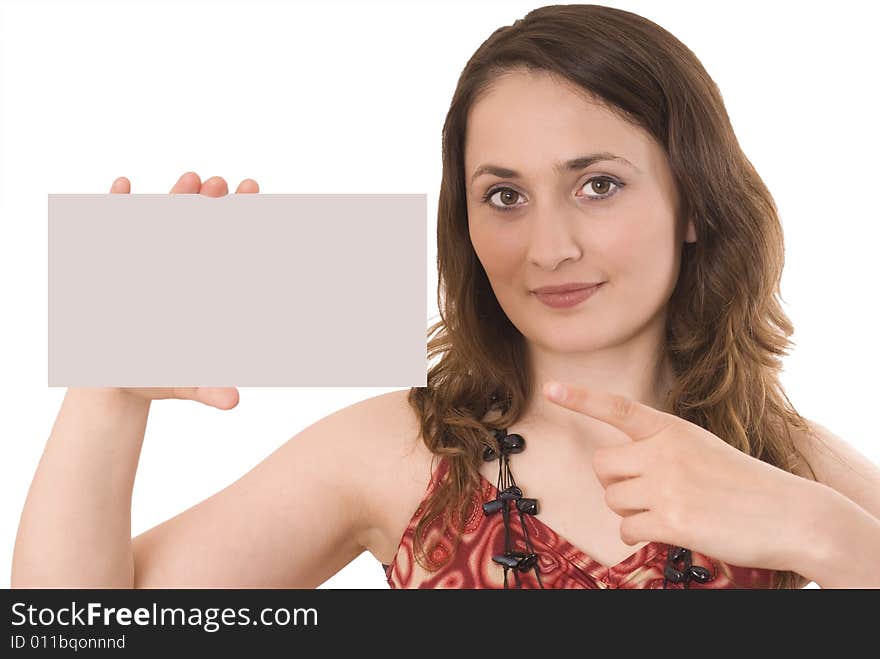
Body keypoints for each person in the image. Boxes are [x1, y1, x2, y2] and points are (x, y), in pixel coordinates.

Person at [11, 4, 880, 590]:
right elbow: (78, 636)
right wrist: (108, 389)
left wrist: (828, 536)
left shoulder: (782, 458)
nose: (549, 247)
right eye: (504, 195)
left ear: (693, 200)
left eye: (598, 185)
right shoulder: (398, 448)